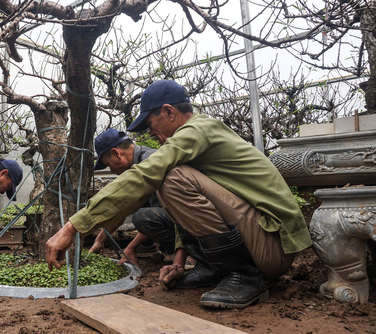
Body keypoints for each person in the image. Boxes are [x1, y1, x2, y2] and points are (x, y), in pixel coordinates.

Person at [46, 80, 312, 309]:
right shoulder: (198, 136)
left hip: (273, 245)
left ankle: (242, 275)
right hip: (263, 240)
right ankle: (211, 268)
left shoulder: (196, 131)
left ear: (168, 112)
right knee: (168, 179)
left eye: (150, 123)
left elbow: (146, 176)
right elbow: (184, 209)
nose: (150, 133)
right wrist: (180, 260)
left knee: (169, 177)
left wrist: (73, 226)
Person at [89, 128, 176, 266]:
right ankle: (148, 245)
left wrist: (130, 248)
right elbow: (123, 206)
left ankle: (186, 253)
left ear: (116, 153)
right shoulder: (136, 165)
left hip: (188, 223)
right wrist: (99, 241)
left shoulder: (150, 162)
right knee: (140, 207)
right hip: (173, 217)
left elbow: (164, 214)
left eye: (107, 164)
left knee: (143, 217)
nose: (111, 170)